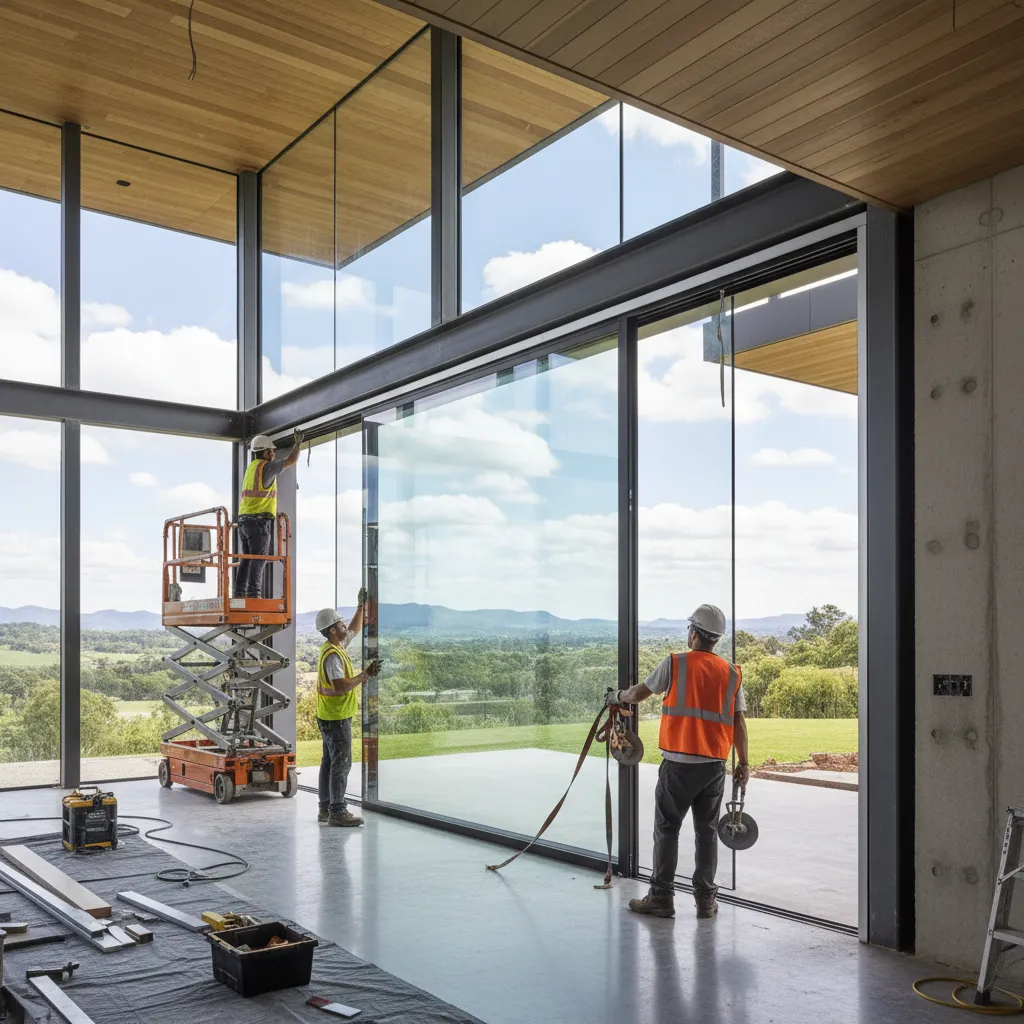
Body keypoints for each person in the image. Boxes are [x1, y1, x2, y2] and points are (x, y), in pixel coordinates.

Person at [612, 603, 749, 920]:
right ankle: (705, 901)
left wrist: (615, 697)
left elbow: (636, 695)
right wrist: (743, 763)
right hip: (713, 767)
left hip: (678, 764)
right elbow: (739, 723)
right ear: (715, 639)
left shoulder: (675, 664)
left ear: (693, 633)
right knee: (706, 832)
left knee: (667, 830)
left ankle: (661, 897)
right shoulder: (731, 673)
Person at [314, 599, 380, 827]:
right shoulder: (333, 656)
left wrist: (361, 606)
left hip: (329, 715)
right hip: (336, 718)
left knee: (329, 762)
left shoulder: (335, 646)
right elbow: (340, 687)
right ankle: (338, 811)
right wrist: (366, 674)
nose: (345, 626)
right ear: (332, 630)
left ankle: (325, 808)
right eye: (340, 624)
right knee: (341, 764)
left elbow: (354, 629)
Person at [234, 433, 301, 599]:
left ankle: (240, 594)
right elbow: (291, 460)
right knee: (259, 558)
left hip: (243, 522)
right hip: (258, 522)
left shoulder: (251, 468)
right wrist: (298, 444)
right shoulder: (266, 467)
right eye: (271, 451)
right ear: (264, 452)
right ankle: (254, 595)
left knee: (246, 559)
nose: (273, 454)